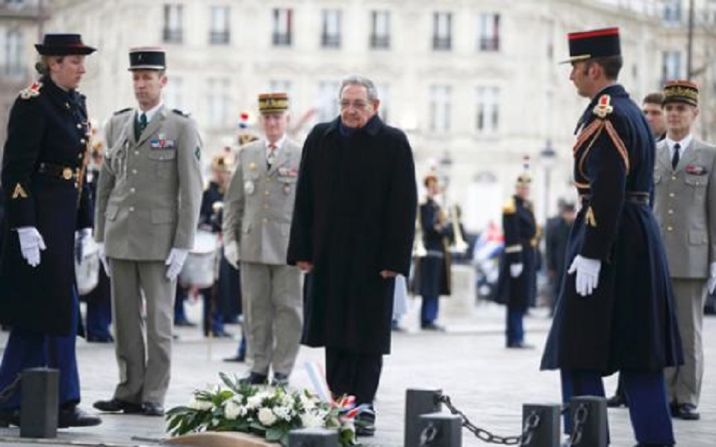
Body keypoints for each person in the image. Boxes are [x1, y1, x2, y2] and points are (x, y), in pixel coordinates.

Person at [540, 27, 683, 446]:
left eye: (575, 69)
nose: (571, 78)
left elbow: (606, 187)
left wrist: (592, 251)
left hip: (611, 235)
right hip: (637, 233)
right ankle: (657, 440)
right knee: (641, 353)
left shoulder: (606, 114)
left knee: (578, 348)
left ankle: (585, 438)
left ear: (594, 68)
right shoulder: (632, 110)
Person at [287, 75, 417, 436]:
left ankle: (364, 404)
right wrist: (302, 251)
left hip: (373, 261)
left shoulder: (393, 143)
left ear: (374, 107)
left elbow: (404, 205)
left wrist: (395, 260)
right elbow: (305, 197)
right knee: (334, 332)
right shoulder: (320, 138)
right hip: (328, 255)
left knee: (366, 336)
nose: (350, 110)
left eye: (359, 104)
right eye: (345, 103)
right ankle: (338, 400)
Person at [92, 47, 203, 417]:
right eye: (136, 78)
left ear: (163, 81)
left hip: (160, 241)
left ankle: (154, 393)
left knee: (158, 323)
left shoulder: (181, 126)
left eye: (147, 78)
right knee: (124, 322)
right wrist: (99, 235)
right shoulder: (118, 123)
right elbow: (106, 183)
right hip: (121, 234)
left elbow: (191, 189)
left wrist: (183, 243)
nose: (140, 85)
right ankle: (129, 389)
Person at [0, 33, 101, 427]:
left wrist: (84, 224)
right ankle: (51, 399)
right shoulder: (33, 104)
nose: (82, 68)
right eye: (75, 61)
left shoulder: (75, 104)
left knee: (52, 311)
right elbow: (15, 169)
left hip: (62, 219)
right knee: (47, 311)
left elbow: (79, 170)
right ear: (54, 63)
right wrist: (24, 223)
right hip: (39, 220)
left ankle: (38, 397)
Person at [222, 92, 303, 386]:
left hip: (287, 247)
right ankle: (258, 366)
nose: (272, 123)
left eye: (277, 118)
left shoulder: (300, 154)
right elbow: (234, 202)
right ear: (260, 120)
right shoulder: (248, 154)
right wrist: (229, 240)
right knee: (255, 309)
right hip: (252, 244)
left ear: (287, 120)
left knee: (288, 310)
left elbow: (308, 205)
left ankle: (282, 369)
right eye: (267, 118)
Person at [654, 80, 716, 421]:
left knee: (689, 331)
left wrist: (715, 260)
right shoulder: (652, 153)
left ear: (694, 113)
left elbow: (714, 210)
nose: (674, 114)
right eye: (670, 108)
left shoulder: (709, 155)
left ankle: (687, 395)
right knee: (661, 328)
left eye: (681, 109)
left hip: (693, 256)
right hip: (657, 256)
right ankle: (663, 392)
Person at [606, 90, 669, 408]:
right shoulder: (635, 143)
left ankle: (673, 394)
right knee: (632, 317)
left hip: (663, 244)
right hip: (637, 242)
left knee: (659, 326)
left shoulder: (665, 151)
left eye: (655, 112)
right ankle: (625, 388)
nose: (648, 117)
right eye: (645, 112)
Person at [495, 167, 538, 349]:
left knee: (520, 300)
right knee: (515, 299)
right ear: (517, 188)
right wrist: (516, 260)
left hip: (526, 256)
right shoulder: (511, 206)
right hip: (517, 256)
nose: (525, 190)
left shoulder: (526, 206)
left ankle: (517, 336)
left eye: (527, 188)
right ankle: (515, 337)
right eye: (522, 187)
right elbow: (511, 234)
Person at [199, 153, 234, 338]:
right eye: (221, 172)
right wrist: (213, 223)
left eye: (227, 172)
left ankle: (219, 322)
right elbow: (201, 217)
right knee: (212, 287)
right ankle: (211, 324)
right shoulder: (208, 192)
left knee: (224, 287)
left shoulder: (229, 191)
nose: (224, 176)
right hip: (211, 242)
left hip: (226, 244)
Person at [82, 143, 114, 343]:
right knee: (97, 287)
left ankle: (101, 326)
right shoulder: (92, 180)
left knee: (106, 287)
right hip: (95, 237)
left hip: (109, 236)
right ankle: (97, 327)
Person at [416, 174, 451, 330]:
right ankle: (427, 318)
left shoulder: (436, 206)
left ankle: (432, 317)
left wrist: (445, 228)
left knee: (435, 287)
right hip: (429, 249)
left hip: (438, 250)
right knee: (429, 287)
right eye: (432, 187)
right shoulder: (425, 206)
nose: (435, 189)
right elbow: (429, 228)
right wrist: (443, 229)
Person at [545, 201, 575, 315]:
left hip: (571, 261)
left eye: (571, 213)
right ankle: (553, 309)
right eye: (567, 213)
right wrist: (550, 265)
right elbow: (550, 248)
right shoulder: (556, 226)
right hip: (558, 262)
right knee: (556, 287)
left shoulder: (575, 226)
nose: (569, 216)